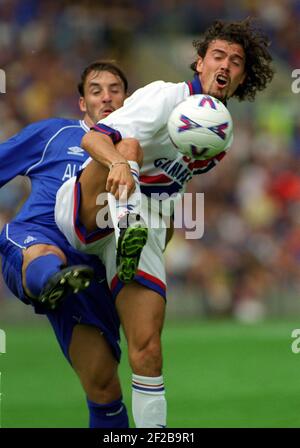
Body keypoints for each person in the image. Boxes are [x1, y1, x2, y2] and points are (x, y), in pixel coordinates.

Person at [55, 18, 274, 428]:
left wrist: (165, 232)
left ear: (243, 77)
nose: (225, 64)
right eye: (218, 56)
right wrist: (121, 162)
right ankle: (127, 221)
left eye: (237, 61)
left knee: (149, 352)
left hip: (146, 221)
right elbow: (93, 139)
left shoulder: (220, 137)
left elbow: (171, 184)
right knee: (131, 141)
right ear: (199, 62)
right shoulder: (164, 96)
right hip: (92, 205)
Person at [0, 61, 135, 428]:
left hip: (90, 271)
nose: (106, 97)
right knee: (48, 254)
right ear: (82, 103)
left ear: (127, 98)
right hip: (37, 238)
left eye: (114, 89)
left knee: (105, 390)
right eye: (96, 90)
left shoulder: (142, 152)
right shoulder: (53, 135)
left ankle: (60, 283)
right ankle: (49, 281)